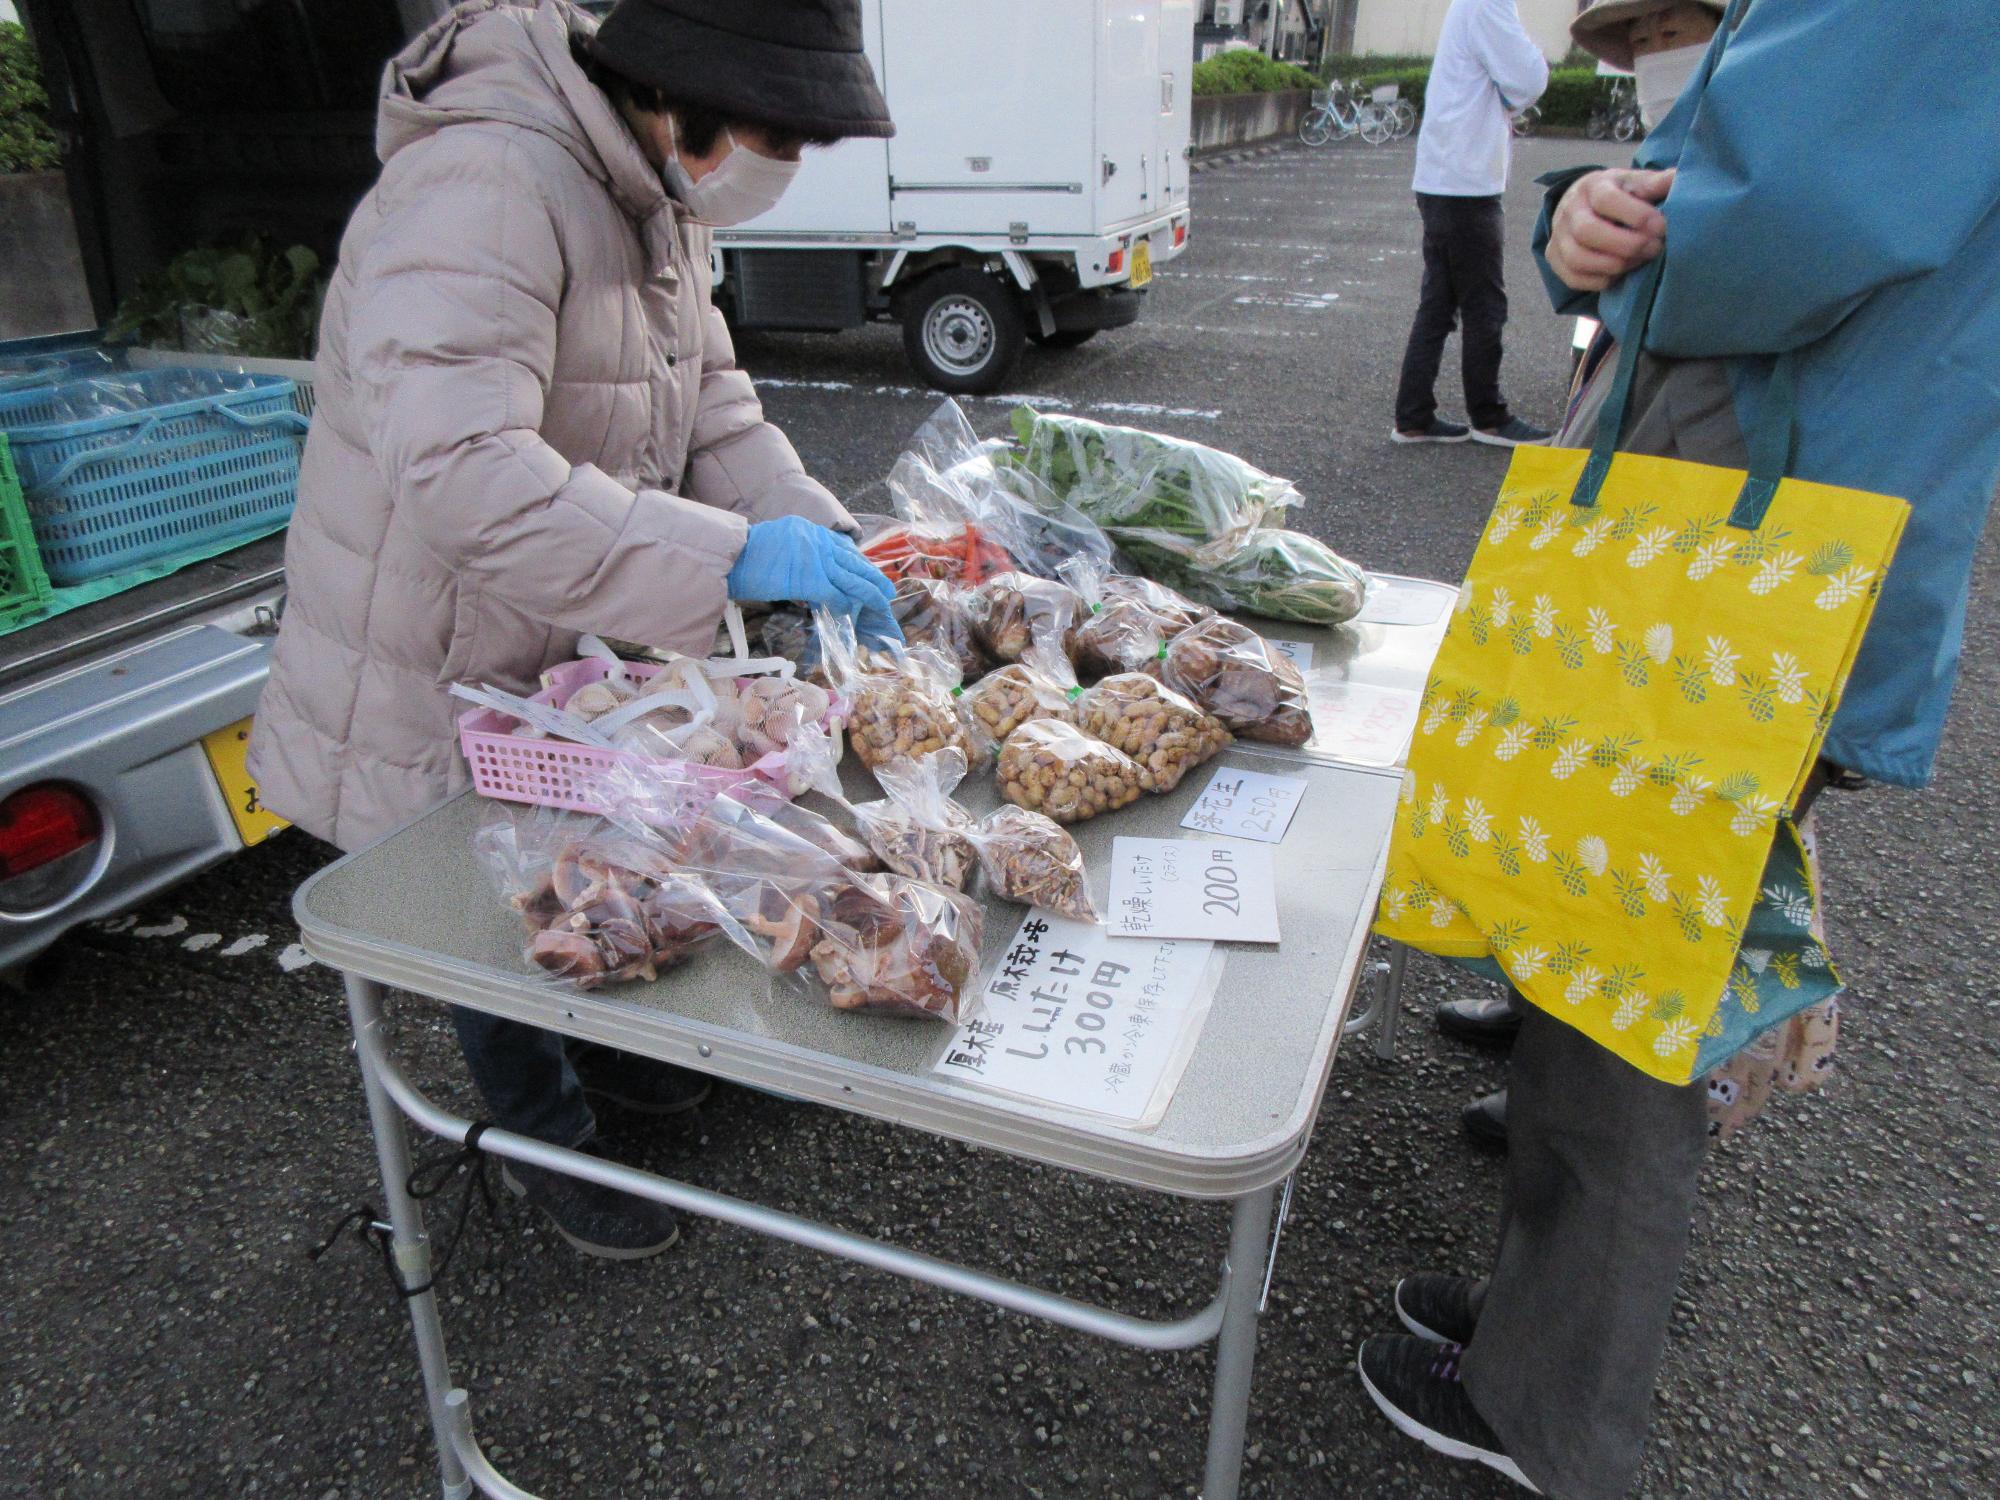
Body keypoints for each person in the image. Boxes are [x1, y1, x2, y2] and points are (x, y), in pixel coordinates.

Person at [1358, 2, 2000, 1495]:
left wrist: (1614, 219)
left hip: (1727, 574)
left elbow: (1762, 222)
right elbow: (1701, 194)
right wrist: (1590, 213)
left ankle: (1546, 1408)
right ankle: (1540, 1330)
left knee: (1627, 988)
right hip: (1754, 565)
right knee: (1631, 946)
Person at [249, 0, 900, 1260]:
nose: (782, 170)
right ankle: (548, 1141)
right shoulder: (486, 179)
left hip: (556, 626)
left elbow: (711, 399)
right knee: (489, 905)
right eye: (777, 136)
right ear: (681, 93)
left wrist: (806, 527)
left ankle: (607, 1069)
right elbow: (462, 468)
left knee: (586, 868)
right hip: (432, 641)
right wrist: (728, 555)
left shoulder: (652, 191)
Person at [1435, 0, 1729, 1153]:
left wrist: (1642, 226)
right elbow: (1624, 239)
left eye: (1677, 28)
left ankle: (1565, 1158)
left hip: (1730, 559)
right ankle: (1533, 1022)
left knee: (1642, 872)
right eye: (1637, 35)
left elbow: (1773, 248)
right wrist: (1576, 213)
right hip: (1630, 518)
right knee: (1562, 784)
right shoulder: (1691, 139)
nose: (1657, 56)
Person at [1390, 0, 1551, 447]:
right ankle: (1489, 417)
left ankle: (1414, 415)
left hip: (1442, 177)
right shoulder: (1489, 3)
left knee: (1438, 304)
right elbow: (1529, 78)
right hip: (1466, 184)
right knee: (1484, 306)